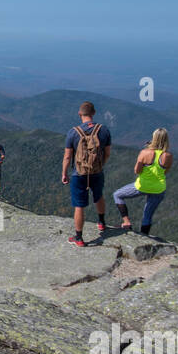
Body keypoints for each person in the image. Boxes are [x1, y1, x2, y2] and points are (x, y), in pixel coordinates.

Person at [61, 101, 111, 247]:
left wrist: (64, 173)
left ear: (79, 114)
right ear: (93, 113)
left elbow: (67, 157)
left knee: (79, 206)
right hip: (97, 171)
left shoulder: (73, 132)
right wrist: (101, 165)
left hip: (79, 173)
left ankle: (79, 237)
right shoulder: (103, 130)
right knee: (99, 195)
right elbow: (107, 153)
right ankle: (101, 222)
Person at [113, 128, 172, 236]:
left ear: (153, 138)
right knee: (147, 215)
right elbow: (165, 172)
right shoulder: (168, 156)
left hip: (142, 186)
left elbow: (137, 170)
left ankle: (126, 222)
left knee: (117, 195)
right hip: (159, 189)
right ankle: (144, 237)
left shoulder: (145, 153)